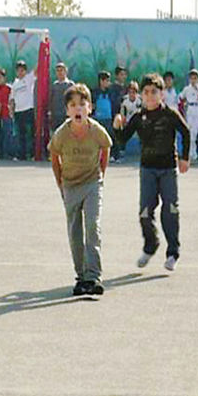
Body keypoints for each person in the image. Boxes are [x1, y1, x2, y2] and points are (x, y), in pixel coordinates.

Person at [112, 73, 190, 271]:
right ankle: (150, 245)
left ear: (161, 94)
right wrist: (117, 127)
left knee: (170, 209)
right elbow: (122, 139)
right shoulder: (138, 117)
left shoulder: (170, 114)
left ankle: (173, 252)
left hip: (168, 170)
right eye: (145, 93)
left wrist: (184, 158)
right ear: (141, 95)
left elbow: (186, 132)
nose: (149, 96)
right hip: (147, 169)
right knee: (145, 212)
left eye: (154, 92)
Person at [49, 83, 112, 298]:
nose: (78, 109)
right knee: (75, 232)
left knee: (92, 226)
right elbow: (54, 156)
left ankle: (93, 276)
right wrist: (60, 183)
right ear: (67, 110)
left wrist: (101, 174)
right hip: (70, 185)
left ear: (90, 108)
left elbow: (106, 147)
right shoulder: (62, 134)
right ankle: (81, 276)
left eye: (82, 105)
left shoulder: (96, 131)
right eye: (73, 105)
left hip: (92, 183)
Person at [10, 59, 37, 160]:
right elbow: (12, 99)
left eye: (22, 70)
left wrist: (44, 47)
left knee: (31, 134)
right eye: (18, 70)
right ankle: (22, 155)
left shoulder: (29, 79)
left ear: (25, 71)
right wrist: (11, 111)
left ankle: (33, 154)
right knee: (21, 135)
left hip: (29, 110)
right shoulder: (15, 84)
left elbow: (37, 68)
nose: (20, 72)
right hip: (18, 112)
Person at [0, 67, 13, 159]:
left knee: (8, 133)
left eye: (0, 77)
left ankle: (8, 153)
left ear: (4, 78)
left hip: (7, 114)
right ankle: (0, 153)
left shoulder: (9, 88)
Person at [93, 70, 115, 143]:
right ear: (101, 81)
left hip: (108, 119)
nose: (109, 83)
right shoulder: (95, 92)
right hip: (98, 120)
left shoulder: (111, 91)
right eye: (107, 80)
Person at [49, 62, 72, 133]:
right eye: (58, 71)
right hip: (55, 116)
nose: (60, 73)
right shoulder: (54, 85)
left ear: (65, 71)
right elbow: (50, 100)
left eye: (61, 70)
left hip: (66, 115)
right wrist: (50, 112)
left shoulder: (70, 84)